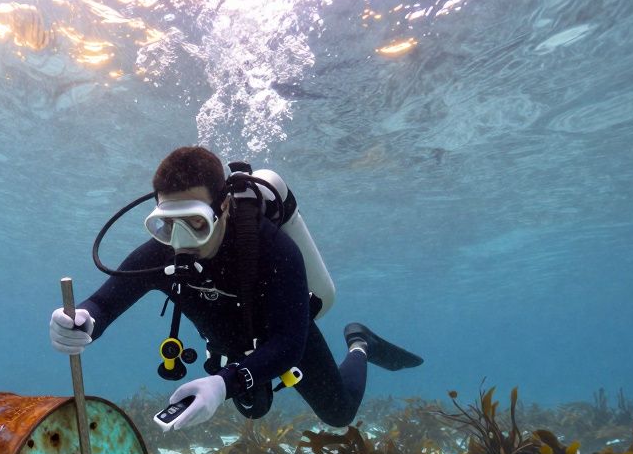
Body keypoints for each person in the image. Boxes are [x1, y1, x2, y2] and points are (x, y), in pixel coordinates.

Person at [49, 146, 421, 431]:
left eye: (195, 222)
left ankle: (360, 343)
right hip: (229, 348)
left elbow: (290, 344)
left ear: (223, 207)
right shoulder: (163, 252)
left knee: (339, 413)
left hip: (281, 333)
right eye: (166, 224)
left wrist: (223, 385)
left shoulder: (274, 250)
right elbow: (104, 302)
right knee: (253, 407)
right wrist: (83, 319)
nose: (180, 241)